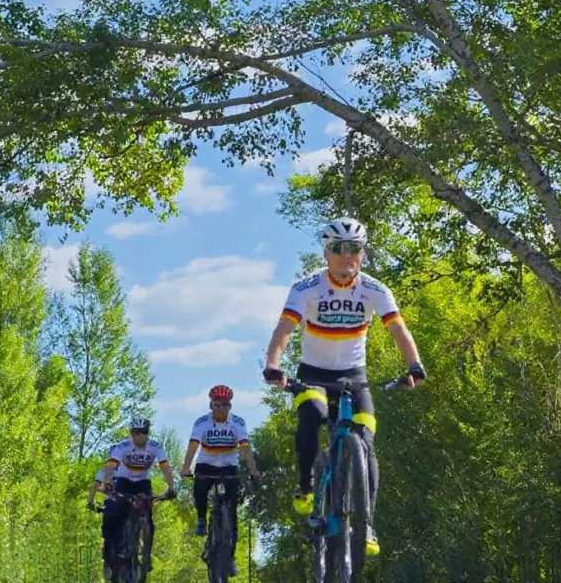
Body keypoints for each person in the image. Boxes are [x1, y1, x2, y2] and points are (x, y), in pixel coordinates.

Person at [262, 217, 425, 557]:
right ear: (326, 253)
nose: (347, 255)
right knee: (312, 416)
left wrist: (414, 365)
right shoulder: (306, 288)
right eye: (339, 248)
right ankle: (306, 485)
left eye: (355, 248)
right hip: (313, 374)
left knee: (365, 441)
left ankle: (366, 525)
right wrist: (273, 365)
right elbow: (284, 330)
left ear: (363, 253)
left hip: (354, 376)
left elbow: (398, 330)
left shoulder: (374, 289)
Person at [179, 384, 260, 577]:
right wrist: (186, 467)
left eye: (225, 405)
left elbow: (245, 448)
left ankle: (230, 558)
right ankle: (201, 518)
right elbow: (193, 446)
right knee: (199, 489)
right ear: (211, 405)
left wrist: (253, 470)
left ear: (230, 406)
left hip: (229, 466)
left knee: (232, 513)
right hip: (206, 464)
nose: (221, 409)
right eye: (217, 405)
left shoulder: (238, 422)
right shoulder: (202, 422)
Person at [101, 416, 177, 570]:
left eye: (143, 432)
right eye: (136, 433)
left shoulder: (155, 447)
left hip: (142, 483)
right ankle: (112, 547)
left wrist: (171, 487)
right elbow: (110, 466)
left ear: (148, 433)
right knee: (114, 509)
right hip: (123, 481)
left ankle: (146, 555)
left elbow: (165, 467)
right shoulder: (122, 446)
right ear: (131, 433)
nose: (139, 436)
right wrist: (108, 482)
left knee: (147, 516)